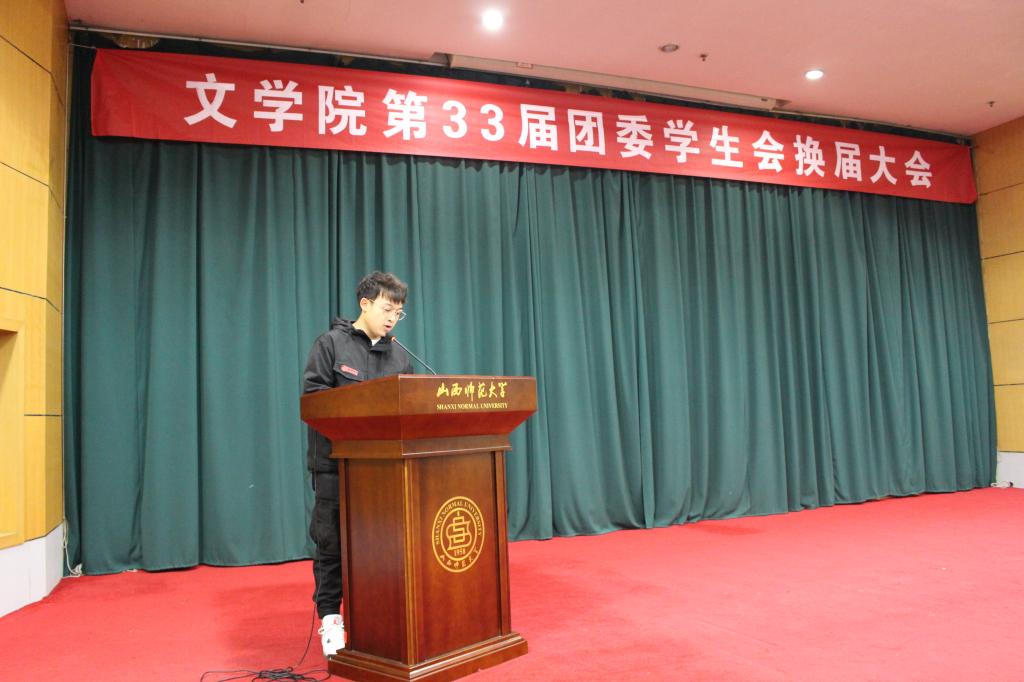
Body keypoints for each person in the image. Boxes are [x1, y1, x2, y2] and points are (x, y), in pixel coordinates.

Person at [302, 271, 414, 656]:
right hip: (336, 466)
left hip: (385, 471)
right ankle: (331, 620)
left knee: (383, 545)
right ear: (365, 304)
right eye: (386, 309)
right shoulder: (330, 345)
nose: (392, 318)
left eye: (398, 312)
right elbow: (314, 399)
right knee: (331, 545)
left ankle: (377, 617)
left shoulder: (401, 356)